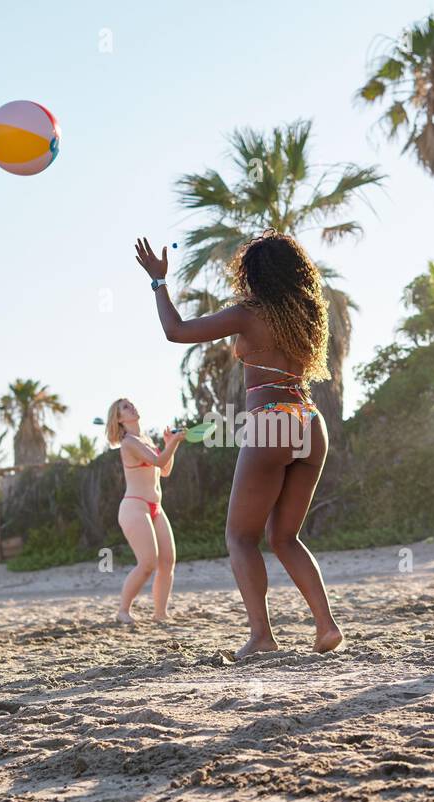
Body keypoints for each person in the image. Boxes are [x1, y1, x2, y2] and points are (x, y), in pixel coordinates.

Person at [134, 232, 345, 658]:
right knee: (285, 537)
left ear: (255, 273)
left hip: (272, 424)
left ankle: (262, 637)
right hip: (309, 422)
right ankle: (326, 627)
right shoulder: (305, 314)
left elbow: (176, 331)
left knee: (240, 537)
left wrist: (158, 282)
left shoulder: (251, 313)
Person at [107, 398, 185, 623]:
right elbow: (160, 461)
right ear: (119, 419)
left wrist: (172, 442)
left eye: (131, 404)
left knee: (168, 561)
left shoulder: (146, 440)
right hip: (134, 507)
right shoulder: (129, 442)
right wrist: (173, 442)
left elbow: (165, 470)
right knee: (148, 563)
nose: (131, 406)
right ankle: (123, 610)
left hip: (155, 507)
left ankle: (160, 614)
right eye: (125, 407)